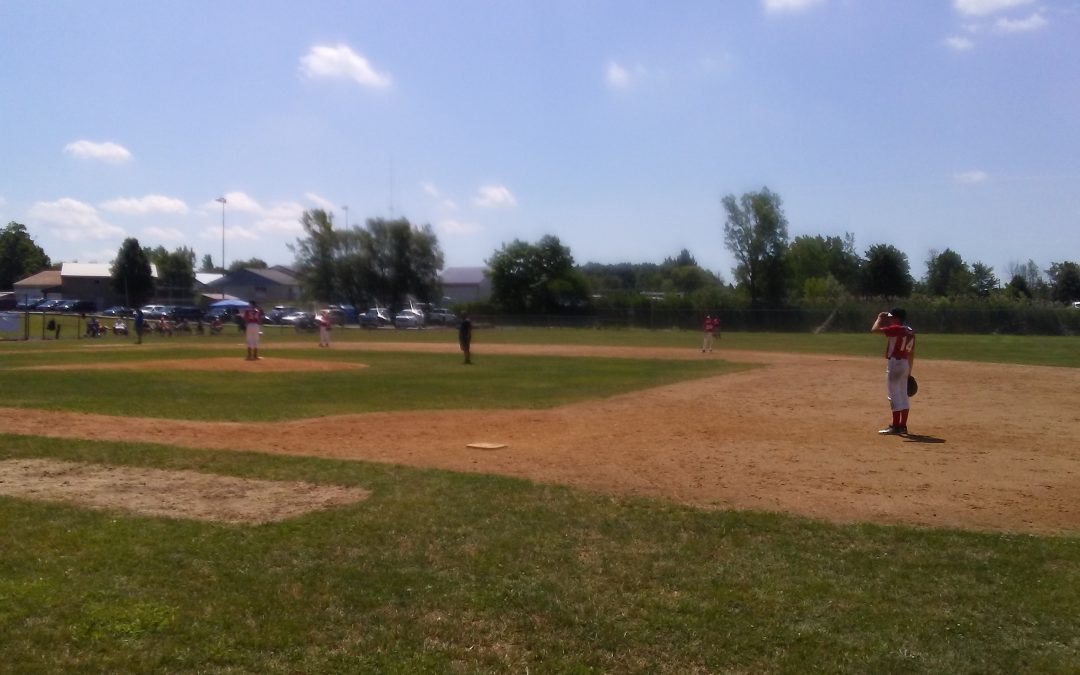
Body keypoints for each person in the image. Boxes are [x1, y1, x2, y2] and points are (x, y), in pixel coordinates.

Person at [871, 307, 915, 435]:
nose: (889, 319)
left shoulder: (896, 329)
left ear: (897, 318)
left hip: (895, 364)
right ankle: (903, 426)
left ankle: (895, 426)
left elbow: (874, 330)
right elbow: (911, 352)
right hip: (905, 363)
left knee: (893, 395)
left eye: (891, 317)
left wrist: (879, 318)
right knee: (903, 395)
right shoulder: (910, 331)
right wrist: (909, 371)